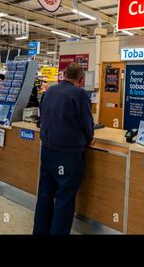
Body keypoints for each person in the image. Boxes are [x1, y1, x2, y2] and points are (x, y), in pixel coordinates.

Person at [33, 63, 94, 235]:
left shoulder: (50, 90)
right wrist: (89, 139)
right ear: (81, 80)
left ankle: (39, 231)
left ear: (64, 74)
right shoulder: (80, 94)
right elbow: (87, 124)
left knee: (45, 193)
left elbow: (42, 115)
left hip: (47, 149)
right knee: (64, 197)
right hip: (68, 154)